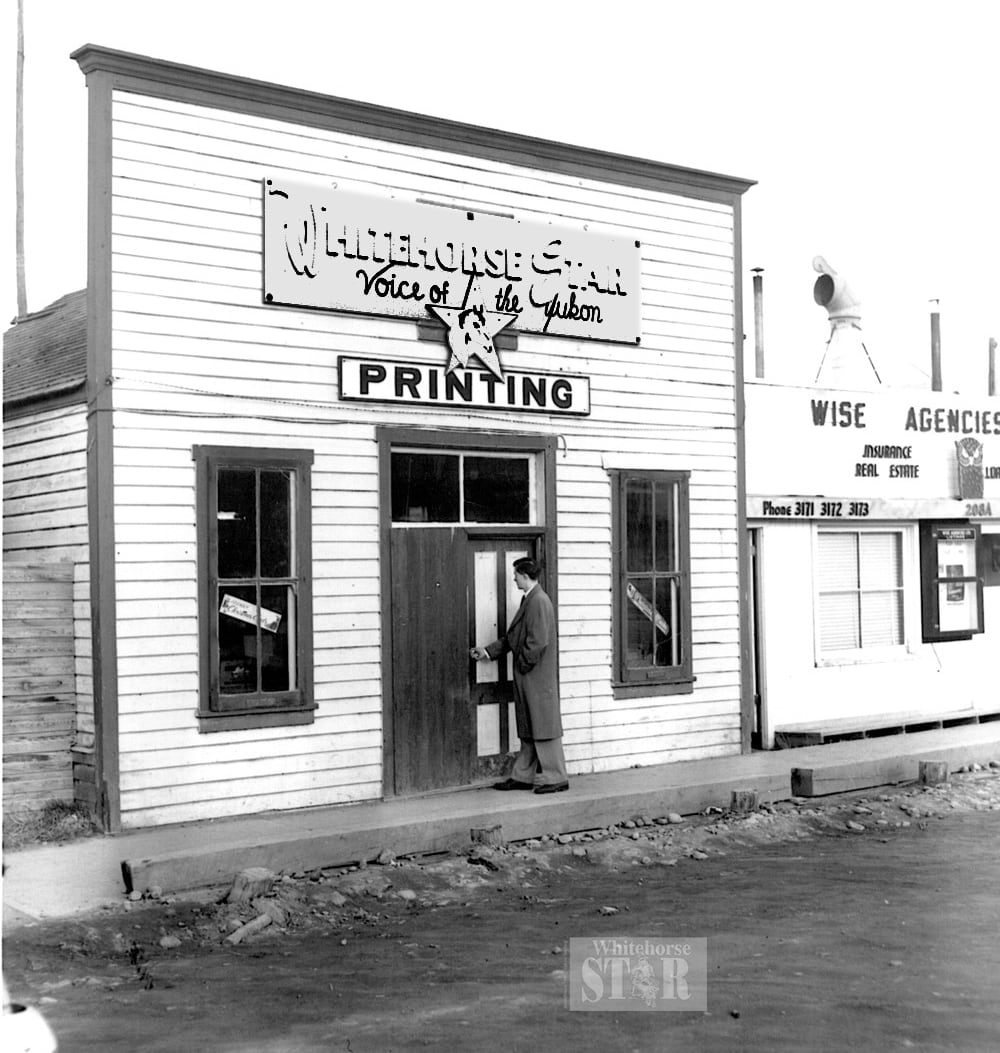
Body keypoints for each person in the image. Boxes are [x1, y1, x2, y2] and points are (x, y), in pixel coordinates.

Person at [470, 557, 568, 794]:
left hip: (536, 677)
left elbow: (538, 641)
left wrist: (523, 665)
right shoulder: (531, 600)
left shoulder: (539, 601)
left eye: (516, 575)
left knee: (543, 725)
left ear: (525, 575)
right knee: (529, 725)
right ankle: (523, 776)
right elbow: (514, 638)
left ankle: (557, 777)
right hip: (531, 677)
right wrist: (487, 652)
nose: (513, 578)